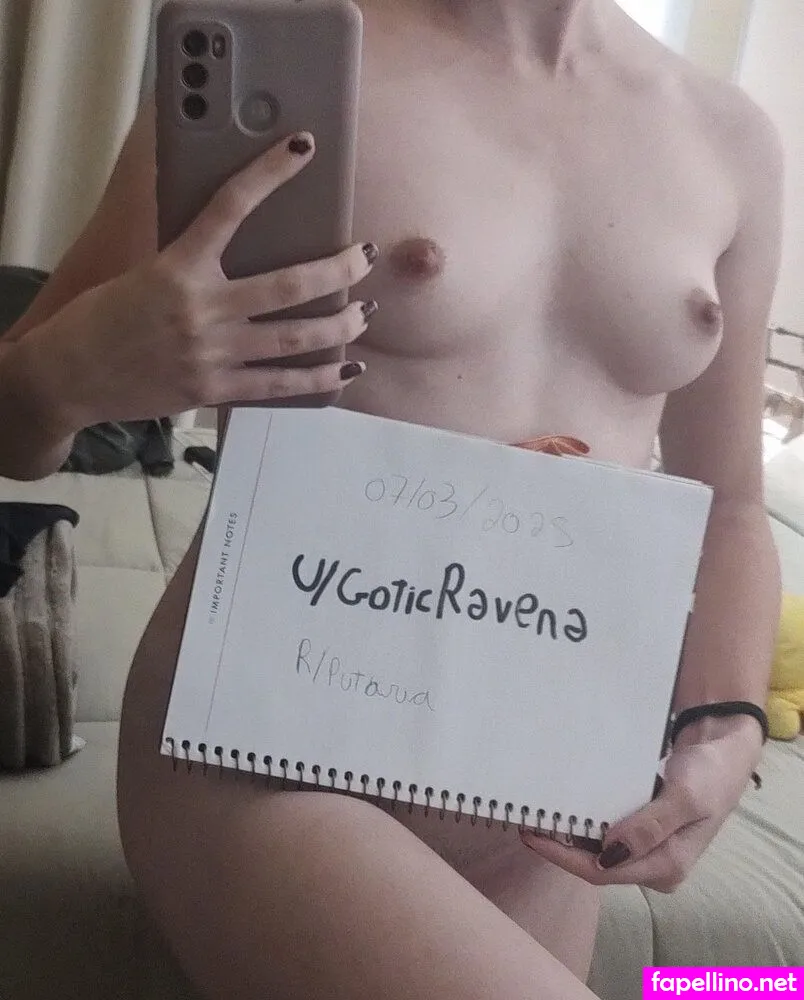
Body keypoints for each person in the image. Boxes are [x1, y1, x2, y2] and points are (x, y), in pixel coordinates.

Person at [0, 0, 783, 996]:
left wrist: (728, 723)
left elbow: (732, 504)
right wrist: (72, 374)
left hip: (544, 793)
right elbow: (18, 422)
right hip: (265, 745)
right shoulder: (297, 60)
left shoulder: (731, 139)